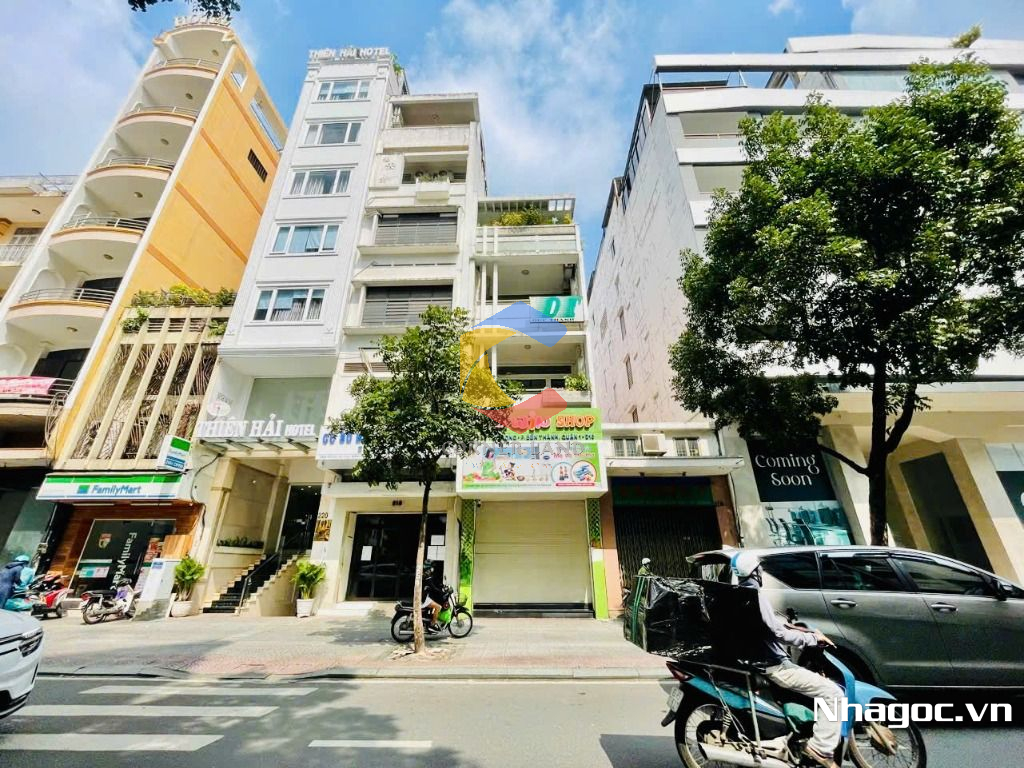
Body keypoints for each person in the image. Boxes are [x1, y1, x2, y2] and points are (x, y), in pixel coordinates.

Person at [732, 551, 844, 768]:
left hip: (758, 662)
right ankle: (821, 748)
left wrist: (801, 630)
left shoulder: (740, 594)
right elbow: (778, 633)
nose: (761, 571)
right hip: (774, 665)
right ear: (755, 572)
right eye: (759, 568)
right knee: (833, 693)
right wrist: (811, 639)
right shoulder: (755, 596)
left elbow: (771, 625)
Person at [420, 561, 445, 632]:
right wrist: (442, 592)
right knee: (438, 607)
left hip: (425, 597)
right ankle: (433, 624)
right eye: (431, 568)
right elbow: (434, 588)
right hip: (425, 599)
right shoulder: (428, 578)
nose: (432, 570)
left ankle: (429, 621)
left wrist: (440, 586)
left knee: (434, 604)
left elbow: (433, 585)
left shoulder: (425, 577)